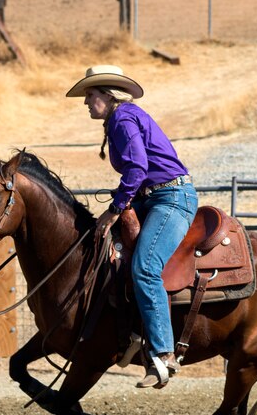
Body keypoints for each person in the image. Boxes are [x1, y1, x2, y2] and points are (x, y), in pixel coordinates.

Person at [66, 65, 198, 389]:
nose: (86, 102)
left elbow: (137, 168)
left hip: (170, 198)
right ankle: (132, 334)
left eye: (90, 95)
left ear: (108, 94)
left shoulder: (123, 118)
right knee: (108, 253)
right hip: (152, 197)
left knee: (145, 267)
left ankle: (164, 354)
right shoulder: (119, 119)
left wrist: (115, 208)